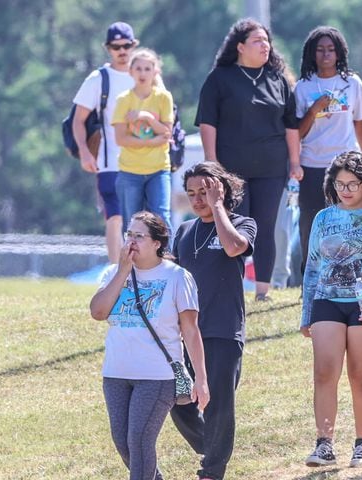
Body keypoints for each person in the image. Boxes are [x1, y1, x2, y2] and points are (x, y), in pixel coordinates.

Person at [89, 211, 210, 480]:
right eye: (129, 234)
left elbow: (190, 331)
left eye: (139, 236)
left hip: (157, 376)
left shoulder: (177, 277)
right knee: (123, 443)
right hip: (116, 373)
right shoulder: (113, 272)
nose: (131, 241)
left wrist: (201, 379)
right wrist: (122, 270)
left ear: (157, 242)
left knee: (140, 440)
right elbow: (98, 312)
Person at [300, 151, 362, 468]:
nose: (346, 190)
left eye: (352, 184)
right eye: (340, 184)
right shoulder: (323, 218)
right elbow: (312, 268)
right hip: (327, 300)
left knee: (360, 375)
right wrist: (306, 314)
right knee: (323, 373)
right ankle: (324, 444)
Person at [195, 17, 302, 301]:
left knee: (265, 227)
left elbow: (291, 125)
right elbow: (207, 123)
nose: (264, 46)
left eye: (267, 41)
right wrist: (211, 164)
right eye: (257, 41)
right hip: (232, 170)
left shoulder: (278, 80)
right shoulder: (219, 79)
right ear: (240, 46)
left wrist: (295, 163)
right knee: (235, 226)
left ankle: (263, 291)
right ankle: (232, 288)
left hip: (271, 167)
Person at [169, 162, 257, 480]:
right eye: (191, 193)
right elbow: (169, 275)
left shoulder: (241, 223)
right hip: (185, 334)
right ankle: (214, 448)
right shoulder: (183, 231)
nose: (197, 200)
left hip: (223, 329)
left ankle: (213, 469)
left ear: (220, 191)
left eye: (204, 192)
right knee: (175, 397)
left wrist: (218, 207)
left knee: (218, 403)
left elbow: (235, 248)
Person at [294, 26, 362, 274]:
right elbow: (298, 131)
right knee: (311, 223)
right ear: (311, 54)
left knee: (347, 221)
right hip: (312, 164)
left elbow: (359, 121)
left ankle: (348, 272)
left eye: (331, 49)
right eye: (320, 50)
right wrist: (314, 109)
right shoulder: (303, 87)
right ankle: (310, 276)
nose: (326, 55)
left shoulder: (352, 83)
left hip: (344, 165)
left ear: (339, 53)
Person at [73, 22, 138, 263]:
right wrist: (84, 152)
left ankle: (144, 275)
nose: (122, 51)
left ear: (134, 45)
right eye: (116, 46)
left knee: (146, 218)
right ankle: (116, 275)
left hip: (145, 161)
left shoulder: (145, 73)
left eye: (126, 45)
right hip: (110, 162)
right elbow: (78, 120)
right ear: (108, 48)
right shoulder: (99, 79)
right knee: (115, 217)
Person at [112, 47, 174, 239]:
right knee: (132, 222)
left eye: (147, 69)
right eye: (138, 68)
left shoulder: (163, 97)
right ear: (130, 71)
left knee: (161, 218)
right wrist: (155, 140)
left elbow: (167, 131)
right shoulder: (124, 100)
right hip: (130, 171)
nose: (143, 73)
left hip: (158, 169)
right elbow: (121, 138)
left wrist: (146, 117)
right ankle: (132, 265)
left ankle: (168, 261)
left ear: (155, 72)